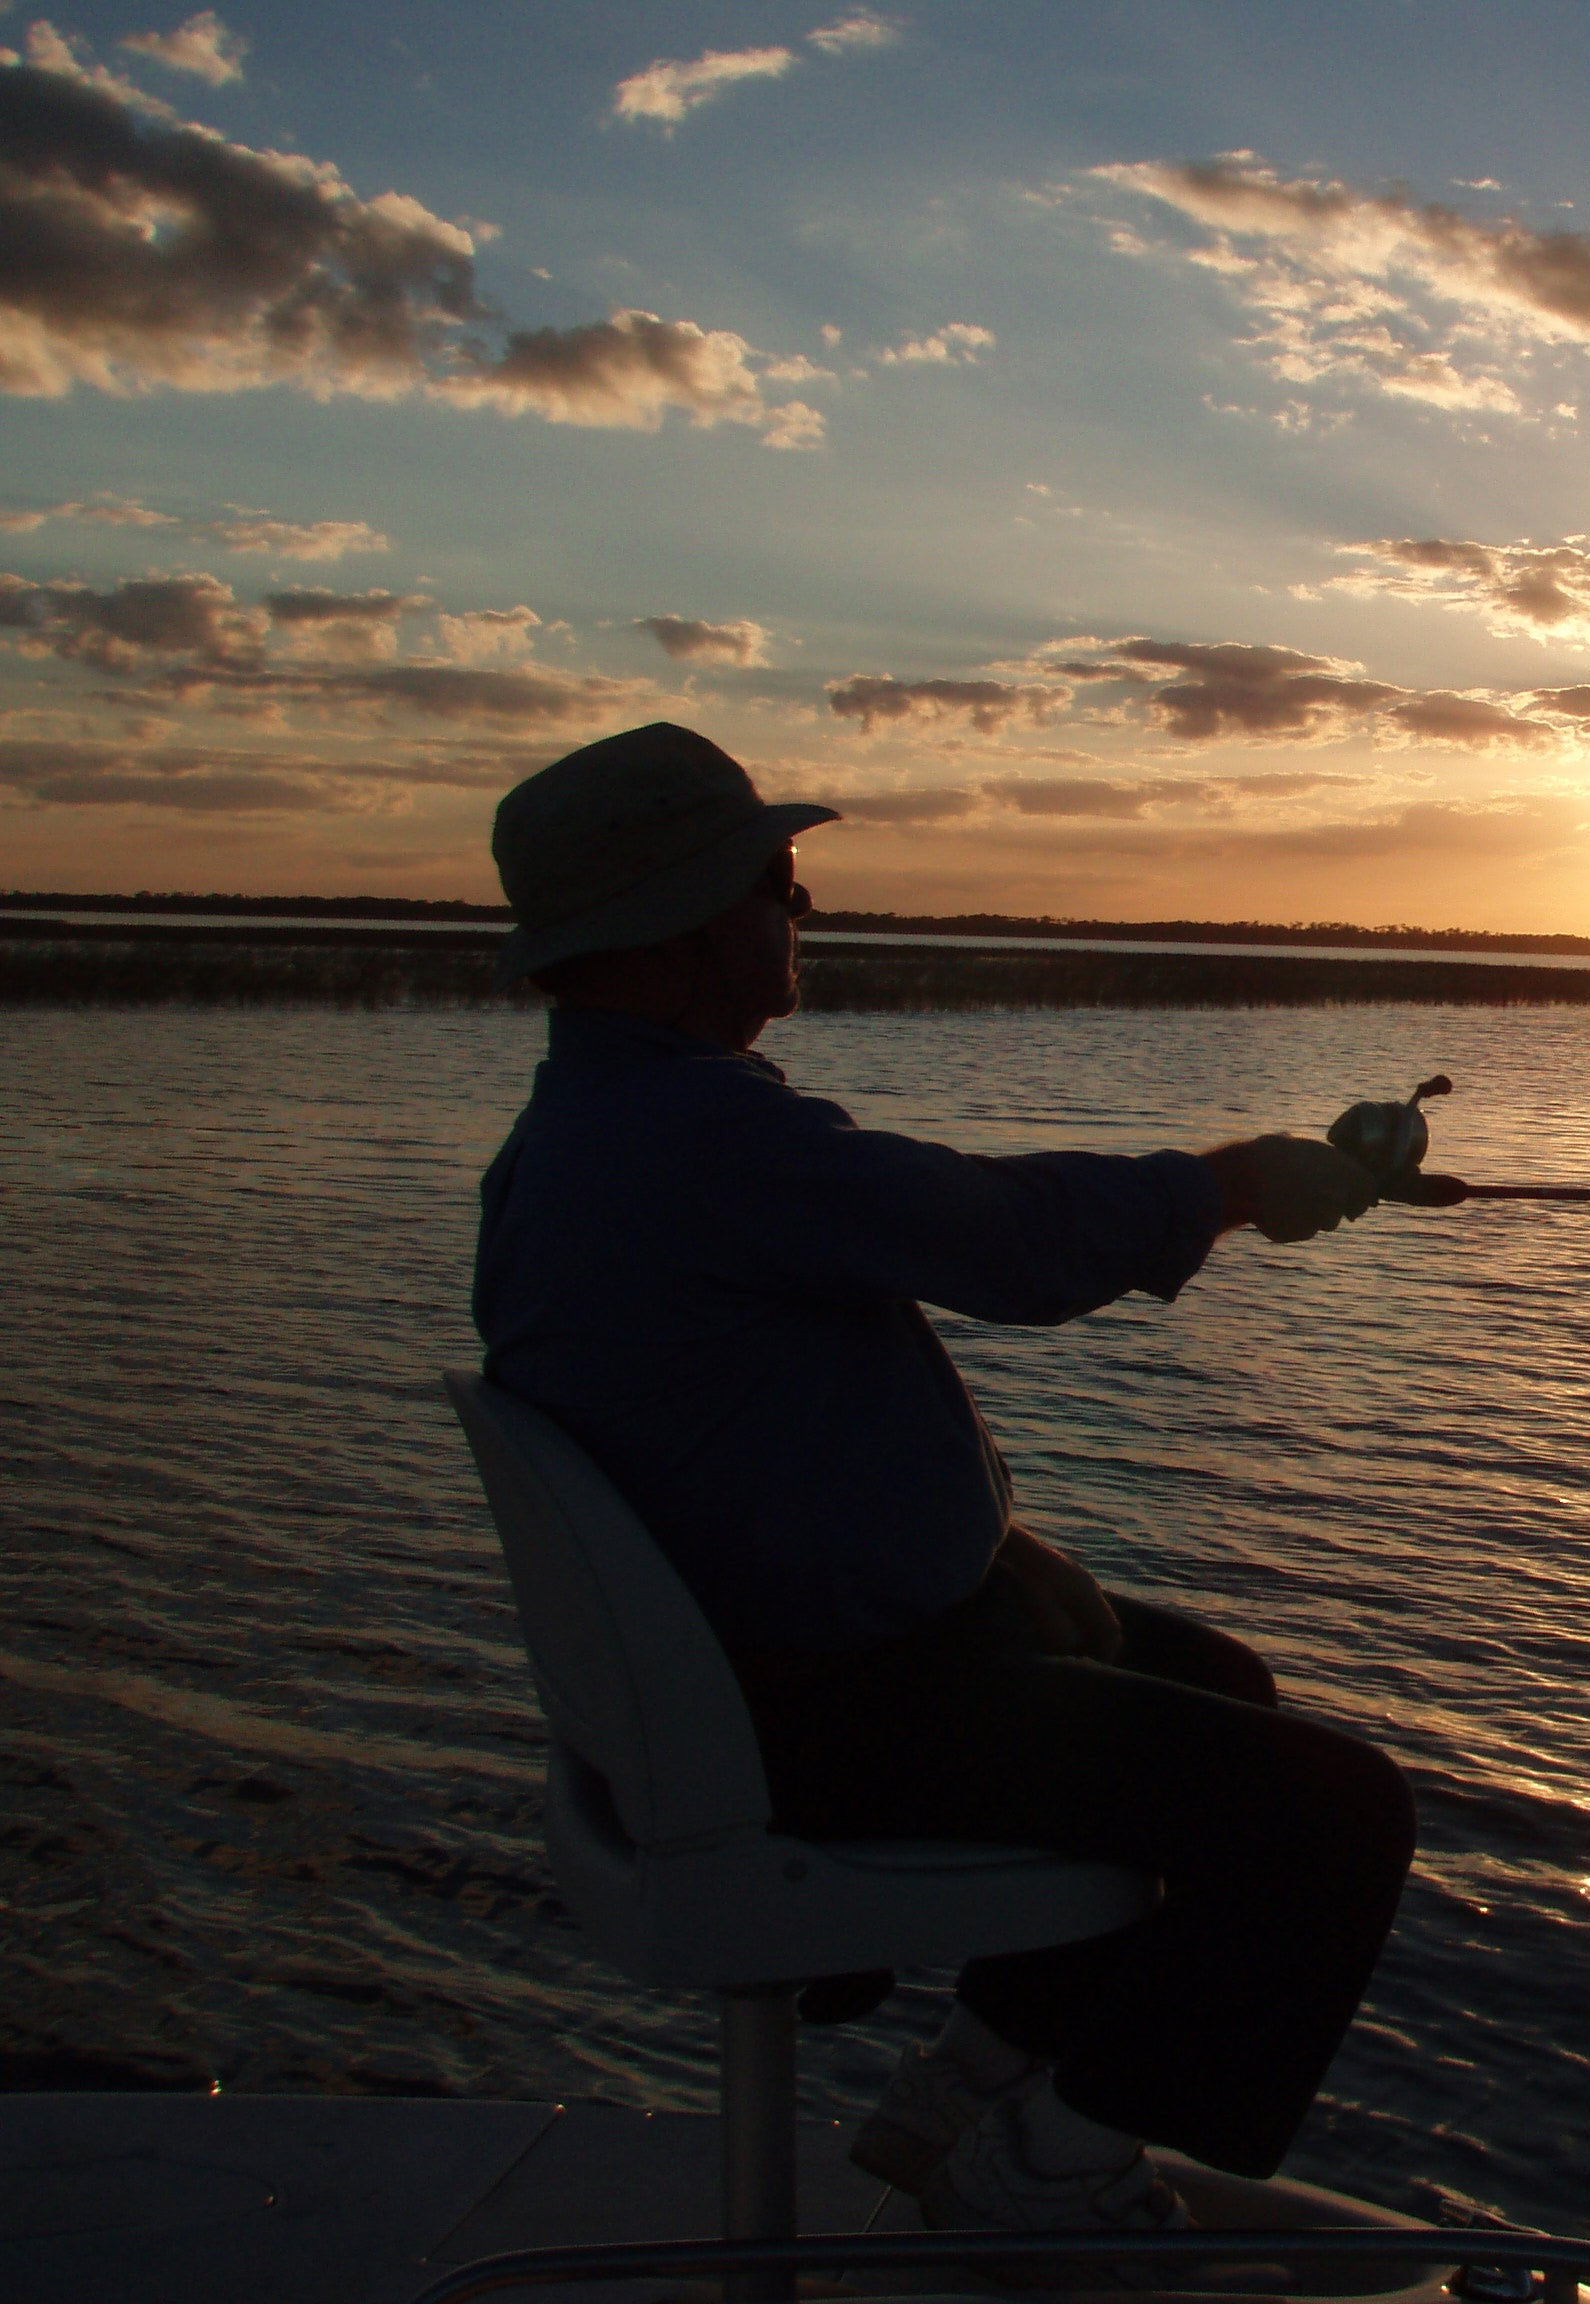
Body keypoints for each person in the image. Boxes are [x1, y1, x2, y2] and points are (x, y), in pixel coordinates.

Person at [471, 721, 1414, 2245]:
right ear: (678, 921)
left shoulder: (586, 1136)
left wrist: (991, 1552)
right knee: (1331, 1819)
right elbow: (999, 1240)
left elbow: (740, 1447)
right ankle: (1046, 2184)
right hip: (820, 1718)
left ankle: (968, 2096)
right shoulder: (694, 1136)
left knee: (1221, 1675)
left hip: (775, 1677)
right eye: (778, 885)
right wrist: (1233, 1184)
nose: (805, 913)